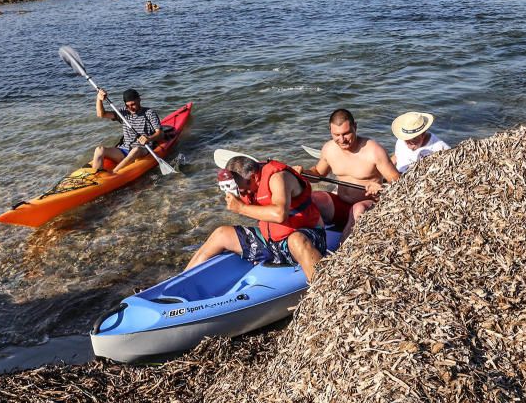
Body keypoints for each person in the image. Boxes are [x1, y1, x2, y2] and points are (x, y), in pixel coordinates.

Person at [184, 156, 326, 281]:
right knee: (221, 234)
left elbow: (280, 214)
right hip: (272, 244)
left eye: (244, 190)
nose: (243, 194)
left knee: (297, 240)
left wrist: (241, 208)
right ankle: (181, 280)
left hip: (307, 238)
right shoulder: (245, 183)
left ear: (253, 177)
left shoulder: (278, 178)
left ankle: (323, 289)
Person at [299, 109, 400, 241]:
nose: (342, 140)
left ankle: (342, 254)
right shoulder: (328, 149)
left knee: (357, 209)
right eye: (337, 135)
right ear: (330, 130)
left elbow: (398, 182)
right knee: (313, 198)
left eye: (346, 133)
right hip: (341, 205)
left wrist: (381, 188)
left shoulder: (374, 150)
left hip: (367, 206)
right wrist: (302, 173)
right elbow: (318, 174)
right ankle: (308, 240)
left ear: (355, 127)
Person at [91, 88, 163, 174]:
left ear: (139, 99)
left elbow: (160, 134)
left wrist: (149, 138)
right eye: (127, 105)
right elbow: (101, 114)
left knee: (135, 150)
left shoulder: (149, 113)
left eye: (133, 104)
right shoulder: (123, 112)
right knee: (99, 149)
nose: (131, 108)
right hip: (124, 150)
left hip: (142, 149)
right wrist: (99, 99)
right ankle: (95, 176)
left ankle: (113, 174)